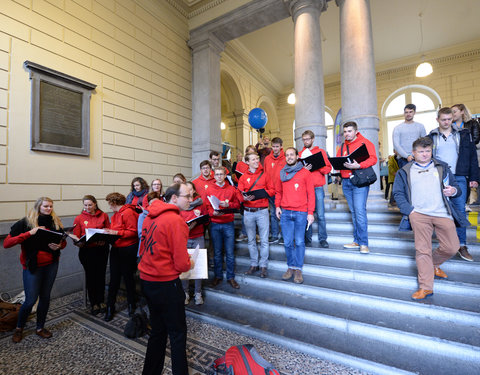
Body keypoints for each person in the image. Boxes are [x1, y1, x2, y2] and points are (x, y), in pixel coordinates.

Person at [393, 136, 469, 300]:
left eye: (428, 151)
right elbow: (398, 193)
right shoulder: (405, 171)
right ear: (413, 153)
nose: (425, 154)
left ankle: (433, 264)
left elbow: (457, 188)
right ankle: (426, 287)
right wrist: (409, 211)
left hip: (442, 212)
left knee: (452, 247)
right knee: (422, 250)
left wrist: (453, 191)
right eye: (421, 152)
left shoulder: (441, 167)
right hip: (418, 214)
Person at [138, 183, 193, 375]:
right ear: (174, 198)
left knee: (158, 331)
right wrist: (190, 263)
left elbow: (144, 247)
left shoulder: (149, 216)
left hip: (147, 279)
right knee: (177, 334)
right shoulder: (175, 220)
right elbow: (181, 263)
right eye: (187, 196)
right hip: (166, 283)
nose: (190, 199)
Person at [4, 197, 67, 343]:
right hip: (33, 266)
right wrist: (30, 233)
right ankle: (19, 328)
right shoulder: (26, 222)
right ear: (38, 207)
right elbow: (7, 243)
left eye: (51, 206)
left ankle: (40, 328)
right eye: (45, 206)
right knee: (30, 299)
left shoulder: (55, 221)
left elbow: (62, 242)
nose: (48, 209)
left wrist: (59, 246)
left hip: (51, 264)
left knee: (45, 297)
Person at [428, 107, 479, 262]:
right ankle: (446, 245)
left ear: (452, 119)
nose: (446, 122)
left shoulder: (464, 134)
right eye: (443, 119)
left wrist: (474, 177)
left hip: (459, 176)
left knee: (460, 211)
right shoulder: (431, 136)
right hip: (439, 176)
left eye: (449, 119)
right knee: (441, 211)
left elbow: (472, 157)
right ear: (437, 119)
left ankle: (462, 245)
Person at [336, 121, 378, 254]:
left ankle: (364, 243)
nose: (347, 134)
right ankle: (357, 241)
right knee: (354, 212)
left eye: (349, 131)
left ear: (355, 131)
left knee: (359, 211)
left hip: (359, 181)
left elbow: (373, 159)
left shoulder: (364, 142)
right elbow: (337, 161)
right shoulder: (342, 146)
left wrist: (358, 166)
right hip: (346, 182)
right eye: (345, 132)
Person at [275, 147, 315, 284]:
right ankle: (290, 267)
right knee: (287, 242)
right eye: (287, 155)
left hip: (301, 212)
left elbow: (311, 194)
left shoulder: (305, 173)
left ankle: (298, 269)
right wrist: (277, 206)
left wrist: (310, 213)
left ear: (297, 156)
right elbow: (278, 192)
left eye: (292, 154)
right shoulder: (282, 173)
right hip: (285, 212)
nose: (289, 157)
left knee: (299, 242)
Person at [238, 152, 275, 278]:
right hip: (248, 211)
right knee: (251, 240)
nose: (256, 161)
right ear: (247, 162)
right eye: (253, 159)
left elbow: (272, 190)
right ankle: (254, 264)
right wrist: (244, 197)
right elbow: (239, 194)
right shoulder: (243, 177)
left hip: (262, 211)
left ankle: (263, 265)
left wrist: (263, 193)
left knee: (264, 240)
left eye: (257, 159)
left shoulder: (265, 175)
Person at [72, 195, 111, 315]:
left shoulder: (103, 215)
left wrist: (104, 239)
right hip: (87, 251)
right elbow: (76, 237)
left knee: (100, 276)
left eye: (90, 205)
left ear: (95, 204)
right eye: (85, 205)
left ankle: (101, 300)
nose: (87, 207)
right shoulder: (79, 218)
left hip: (101, 250)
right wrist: (78, 243)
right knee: (91, 277)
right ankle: (94, 302)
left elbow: (108, 230)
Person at [104, 192, 139, 321]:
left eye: (110, 203)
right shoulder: (115, 215)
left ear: (114, 203)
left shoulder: (128, 212)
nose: (109, 206)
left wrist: (116, 232)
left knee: (128, 277)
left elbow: (133, 232)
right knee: (114, 279)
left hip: (127, 249)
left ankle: (131, 304)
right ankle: (110, 307)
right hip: (116, 249)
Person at [207, 166, 242, 289]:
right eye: (217, 174)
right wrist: (213, 213)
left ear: (225, 175)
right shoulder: (210, 188)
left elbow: (237, 205)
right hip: (215, 223)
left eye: (221, 174)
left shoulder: (231, 189)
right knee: (217, 253)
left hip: (228, 223)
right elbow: (207, 207)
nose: (219, 177)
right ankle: (218, 276)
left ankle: (230, 277)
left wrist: (228, 204)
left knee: (230, 252)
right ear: (214, 176)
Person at [299, 130, 332, 248]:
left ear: (313, 139)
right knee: (307, 214)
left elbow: (328, 169)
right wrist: (304, 169)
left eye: (308, 139)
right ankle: (307, 239)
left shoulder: (321, 152)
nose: (306, 141)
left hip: (318, 188)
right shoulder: (301, 154)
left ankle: (323, 239)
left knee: (321, 215)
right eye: (304, 139)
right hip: (305, 189)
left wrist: (318, 167)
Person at [180, 181, 207, 305]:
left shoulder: (200, 203)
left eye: (190, 189)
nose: (188, 192)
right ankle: (185, 293)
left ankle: (198, 293)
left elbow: (206, 219)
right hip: (184, 238)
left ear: (194, 190)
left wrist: (198, 219)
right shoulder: (182, 204)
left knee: (198, 267)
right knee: (185, 267)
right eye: (186, 190)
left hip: (198, 237)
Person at [264, 137, 286, 244]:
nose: (275, 149)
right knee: (273, 213)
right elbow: (265, 174)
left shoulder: (286, 158)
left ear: (281, 146)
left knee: (283, 214)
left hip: (283, 191)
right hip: (271, 191)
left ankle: (283, 235)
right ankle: (274, 235)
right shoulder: (267, 159)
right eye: (273, 147)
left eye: (277, 147)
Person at [392, 104, 426, 168]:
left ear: (414, 113)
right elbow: (396, 145)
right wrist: (407, 156)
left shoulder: (420, 126)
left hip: (418, 158)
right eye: (406, 112)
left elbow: (424, 143)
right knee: (406, 178)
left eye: (410, 112)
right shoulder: (397, 128)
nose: (408, 114)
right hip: (403, 160)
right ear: (404, 113)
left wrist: (418, 155)